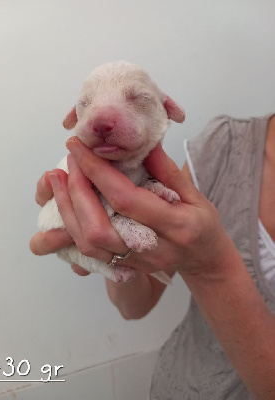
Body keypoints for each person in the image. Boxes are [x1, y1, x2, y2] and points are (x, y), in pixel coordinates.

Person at [30, 113, 275, 399]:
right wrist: (109, 243)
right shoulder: (223, 145)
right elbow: (134, 305)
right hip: (178, 386)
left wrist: (210, 269)